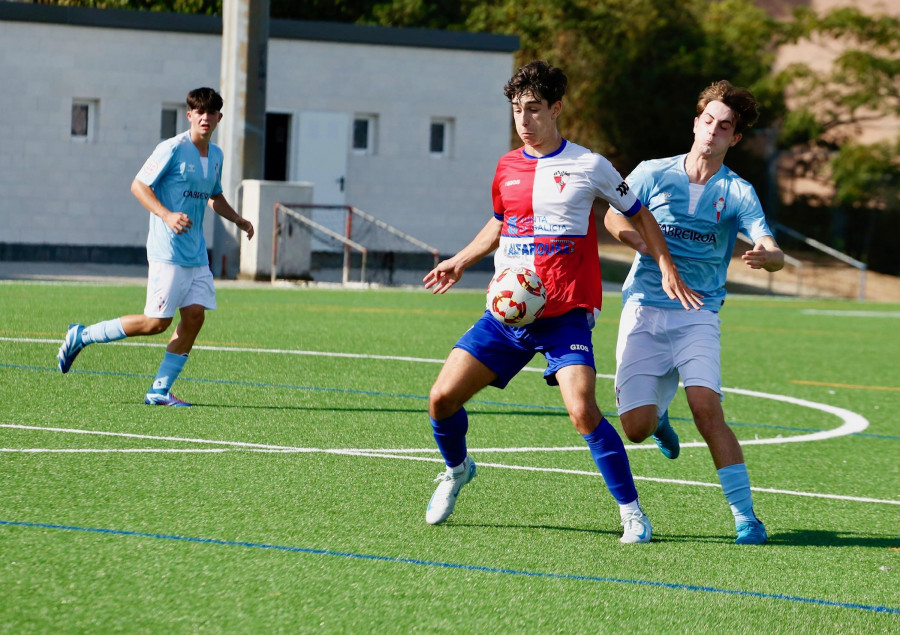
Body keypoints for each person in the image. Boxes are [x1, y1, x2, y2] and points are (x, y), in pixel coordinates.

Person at [422, 61, 701, 543]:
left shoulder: (590, 165)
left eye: (533, 109)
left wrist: (666, 263)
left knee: (581, 410)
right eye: (516, 111)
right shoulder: (506, 167)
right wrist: (460, 260)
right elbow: (499, 223)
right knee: (441, 399)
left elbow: (639, 213)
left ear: (555, 109)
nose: (523, 121)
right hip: (508, 311)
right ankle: (458, 469)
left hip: (565, 312)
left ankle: (632, 512)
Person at [604, 80, 785, 544]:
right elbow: (612, 215)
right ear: (695, 123)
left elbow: (768, 243)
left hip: (698, 315)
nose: (713, 132)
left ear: (735, 138)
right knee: (636, 429)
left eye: (724, 127)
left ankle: (746, 516)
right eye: (708, 121)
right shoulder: (651, 172)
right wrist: (644, 244)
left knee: (706, 409)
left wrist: (769, 256)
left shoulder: (738, 191)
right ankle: (659, 420)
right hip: (644, 308)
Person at [57, 87, 254, 406]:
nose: (205, 117)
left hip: (196, 255)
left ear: (219, 117)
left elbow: (214, 197)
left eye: (211, 112)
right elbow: (138, 185)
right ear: (189, 115)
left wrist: (240, 220)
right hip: (168, 252)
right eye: (198, 112)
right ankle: (82, 335)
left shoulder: (215, 156)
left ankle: (159, 390)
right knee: (156, 323)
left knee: (194, 317)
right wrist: (166, 214)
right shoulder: (173, 148)